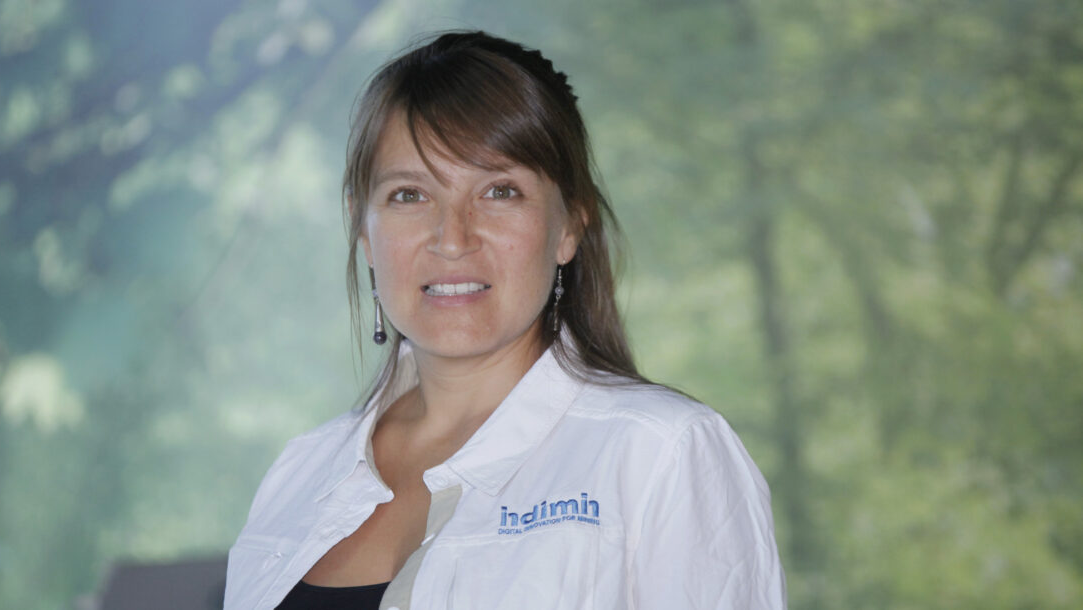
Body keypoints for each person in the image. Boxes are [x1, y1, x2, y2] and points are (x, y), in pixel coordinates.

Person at [224, 31, 785, 610]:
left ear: (568, 226)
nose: (452, 238)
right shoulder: (300, 473)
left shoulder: (662, 453)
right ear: (362, 228)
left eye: (499, 191)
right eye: (409, 195)